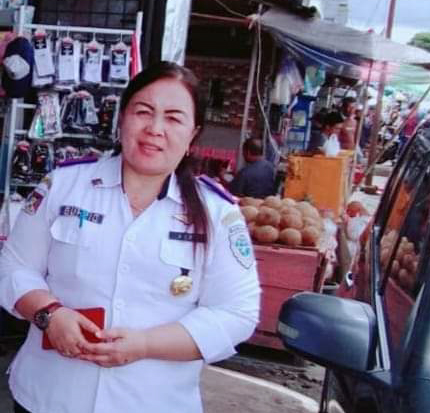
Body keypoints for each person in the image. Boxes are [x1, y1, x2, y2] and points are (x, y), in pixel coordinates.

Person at [0, 61, 261, 413]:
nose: (155, 129)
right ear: (122, 118)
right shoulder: (64, 185)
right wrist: (49, 314)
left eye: (173, 118)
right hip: (48, 396)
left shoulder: (217, 214)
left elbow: (236, 312)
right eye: (143, 112)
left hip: (153, 401)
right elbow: (13, 266)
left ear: (192, 135)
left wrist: (145, 344)